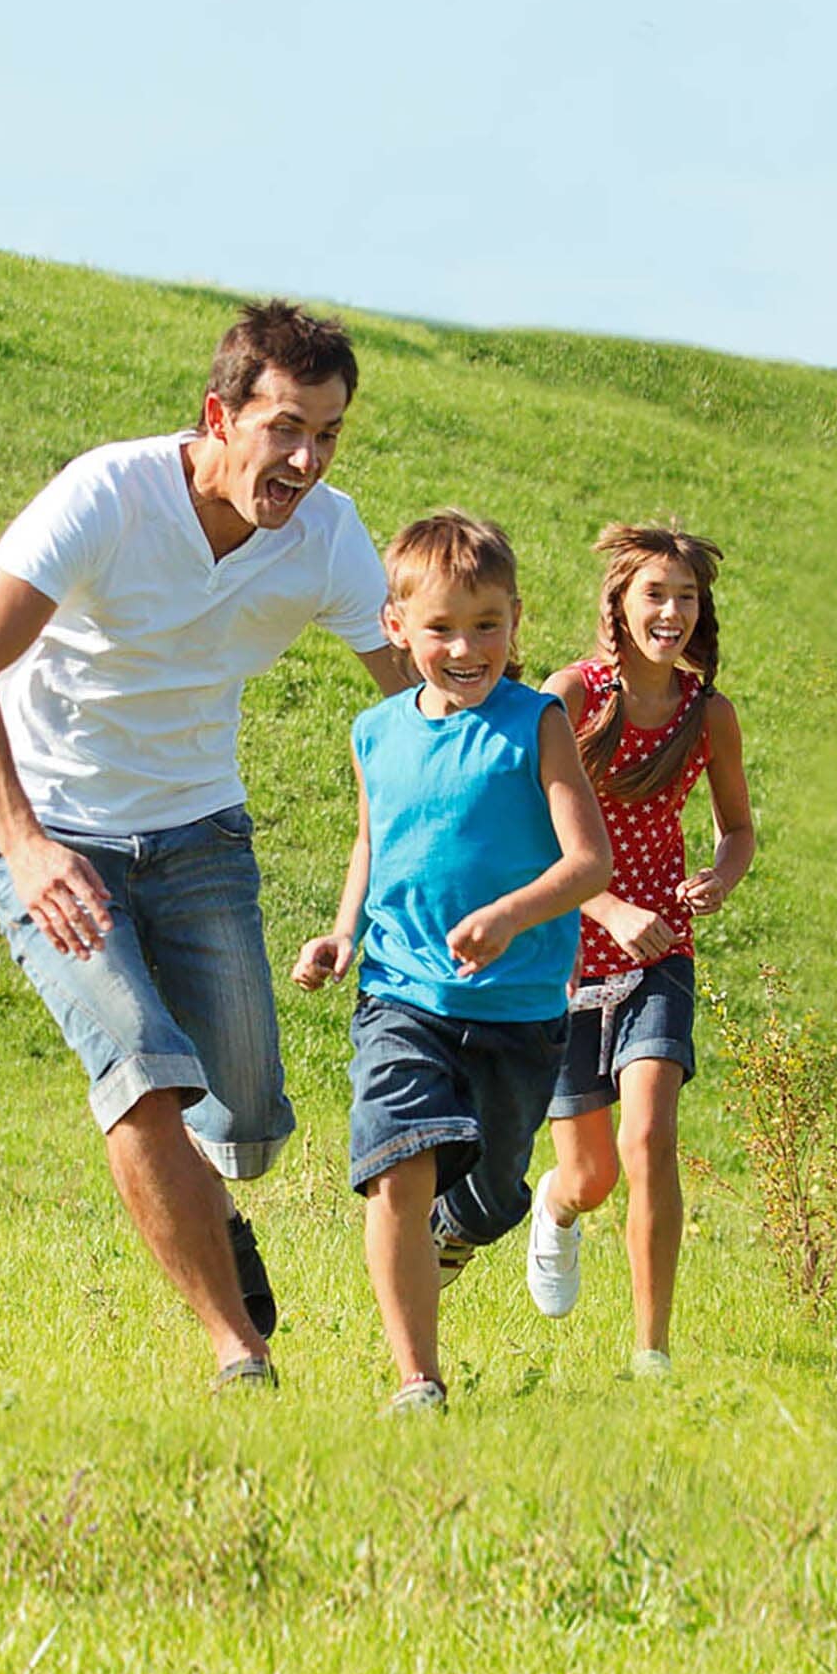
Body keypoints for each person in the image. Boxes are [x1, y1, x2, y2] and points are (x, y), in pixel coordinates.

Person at [0, 301, 408, 1394]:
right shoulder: (111, 493)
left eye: (328, 434)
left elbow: (424, 706)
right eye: (285, 428)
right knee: (140, 1068)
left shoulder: (329, 535)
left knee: (245, 1111)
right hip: (51, 829)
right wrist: (26, 845)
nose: (305, 460)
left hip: (200, 832)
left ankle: (214, 1201)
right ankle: (241, 1352)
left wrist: (540, 758)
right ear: (219, 415)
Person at [292, 511, 610, 1413]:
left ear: (515, 620)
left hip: (517, 1008)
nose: (465, 648)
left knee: (492, 1191)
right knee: (398, 1162)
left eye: (486, 626)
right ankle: (416, 1380)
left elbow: (590, 864)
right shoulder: (375, 731)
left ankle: (463, 1231)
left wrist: (510, 917)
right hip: (401, 991)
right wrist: (344, 932)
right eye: (440, 628)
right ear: (397, 628)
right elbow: (372, 841)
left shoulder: (536, 723)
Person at [520, 518, 754, 1377]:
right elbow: (532, 829)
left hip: (662, 950)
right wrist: (608, 907)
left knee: (649, 1135)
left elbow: (736, 831)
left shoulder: (707, 714)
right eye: (655, 593)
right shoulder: (570, 696)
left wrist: (718, 881)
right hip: (565, 954)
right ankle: (556, 1206)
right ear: (618, 602)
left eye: (687, 597)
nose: (673, 612)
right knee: (591, 1177)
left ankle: (650, 1352)